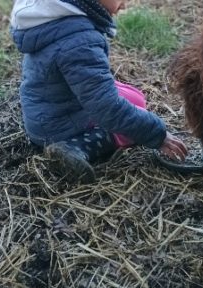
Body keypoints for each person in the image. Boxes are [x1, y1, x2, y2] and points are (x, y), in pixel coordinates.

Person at [10, 0, 187, 183]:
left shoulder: (55, 18)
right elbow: (106, 108)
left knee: (136, 100)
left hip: (46, 110)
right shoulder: (78, 41)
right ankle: (74, 147)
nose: (125, 5)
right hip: (56, 128)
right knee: (124, 125)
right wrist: (157, 134)